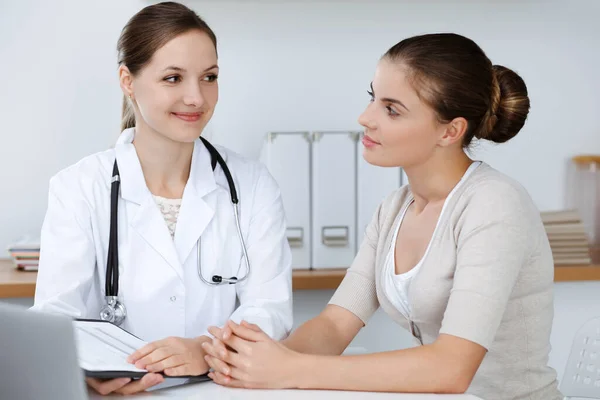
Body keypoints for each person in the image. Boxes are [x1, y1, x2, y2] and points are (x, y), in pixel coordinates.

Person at [202, 33, 563, 400]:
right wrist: (242, 359)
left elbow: (450, 369)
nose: (365, 118)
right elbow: (335, 325)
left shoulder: (494, 204)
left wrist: (290, 369)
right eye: (372, 97)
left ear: (450, 130)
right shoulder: (394, 208)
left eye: (391, 109)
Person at [32, 1, 293, 396]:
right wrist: (88, 371)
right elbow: (55, 319)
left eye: (209, 77)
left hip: (225, 389)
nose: (196, 98)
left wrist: (206, 350)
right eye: (173, 78)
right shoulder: (79, 187)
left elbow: (270, 309)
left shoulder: (252, 184)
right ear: (128, 80)